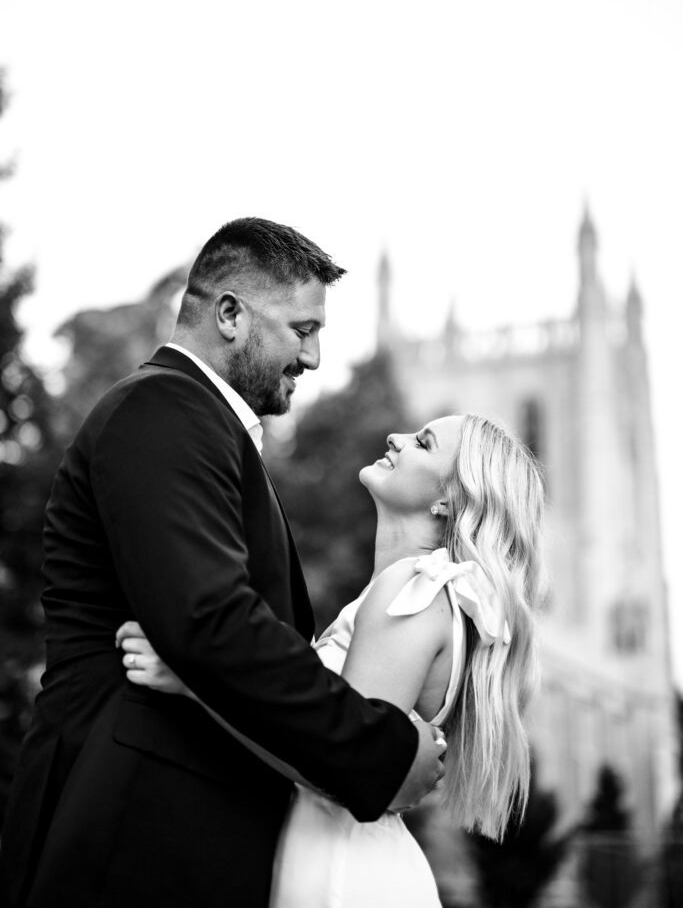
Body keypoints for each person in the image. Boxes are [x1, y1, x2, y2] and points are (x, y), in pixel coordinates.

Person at [0, 218, 446, 908]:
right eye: (302, 330)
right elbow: (212, 620)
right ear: (231, 315)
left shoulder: (202, 428)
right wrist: (380, 754)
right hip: (129, 827)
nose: (316, 357)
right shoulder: (162, 410)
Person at [117, 411, 545, 907]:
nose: (396, 437)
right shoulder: (427, 595)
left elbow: (338, 760)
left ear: (448, 500)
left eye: (423, 444)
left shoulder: (415, 589)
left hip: (340, 872)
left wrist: (196, 681)